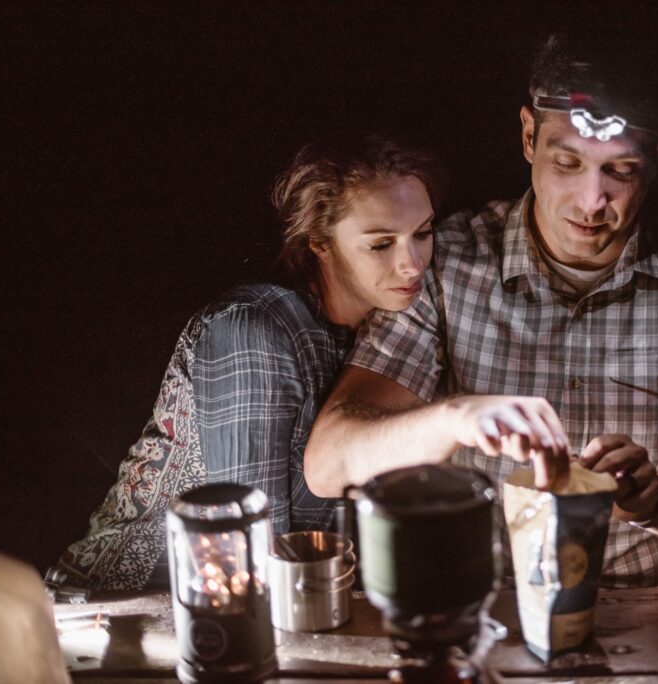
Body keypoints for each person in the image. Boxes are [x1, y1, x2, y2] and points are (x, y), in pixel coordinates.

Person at [305, 33, 658, 588]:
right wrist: (457, 417)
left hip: (657, 607)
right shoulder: (447, 263)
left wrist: (655, 499)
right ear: (527, 136)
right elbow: (330, 462)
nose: (592, 201)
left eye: (621, 170)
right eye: (567, 162)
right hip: (493, 602)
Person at [48, 137, 439, 592]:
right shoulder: (256, 331)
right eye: (380, 244)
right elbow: (247, 549)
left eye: (423, 235)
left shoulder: (384, 343)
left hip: (256, 617)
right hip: (124, 609)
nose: (412, 265)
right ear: (320, 243)